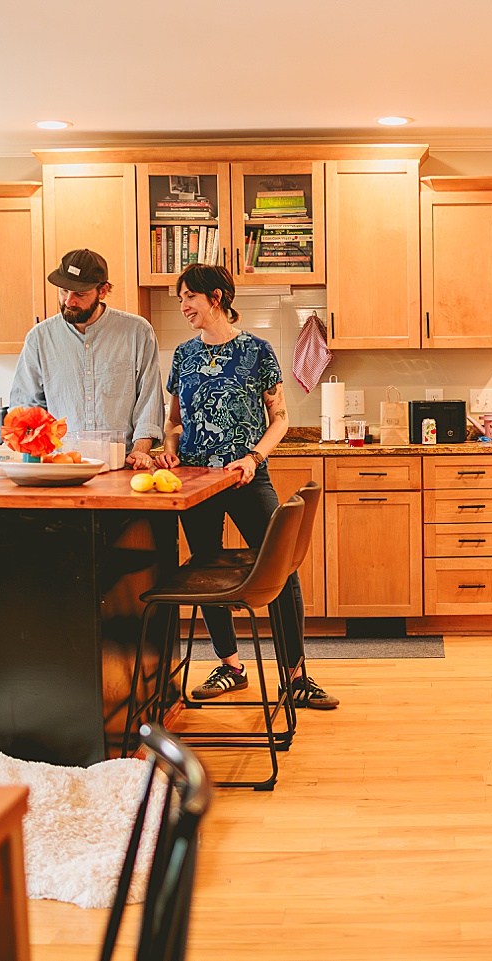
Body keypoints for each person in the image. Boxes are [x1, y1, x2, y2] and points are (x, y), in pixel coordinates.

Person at [152, 263, 338, 710]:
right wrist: (170, 446)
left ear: (215, 298)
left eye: (189, 298)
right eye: (180, 300)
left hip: (248, 476)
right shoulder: (183, 355)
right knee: (204, 569)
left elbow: (281, 419)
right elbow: (174, 422)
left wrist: (254, 457)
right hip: (195, 481)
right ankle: (230, 666)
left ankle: (295, 676)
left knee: (281, 567)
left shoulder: (257, 351)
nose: (183, 307)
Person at [9, 249, 164, 470]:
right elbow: (26, 407)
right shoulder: (40, 338)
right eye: (63, 291)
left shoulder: (137, 332)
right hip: (62, 468)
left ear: (103, 291)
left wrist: (140, 453)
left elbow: (149, 401)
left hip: (123, 467)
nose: (68, 301)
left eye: (79, 294)